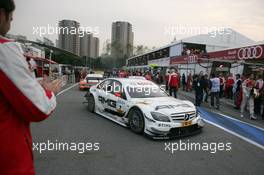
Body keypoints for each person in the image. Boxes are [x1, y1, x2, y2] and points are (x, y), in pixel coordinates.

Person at [0, 1, 62, 174]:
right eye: (10, 19)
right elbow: (39, 108)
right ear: (2, 14)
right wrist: (50, 91)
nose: (10, 24)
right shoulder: (5, 49)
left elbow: (9, 88)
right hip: (10, 161)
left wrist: (33, 83)